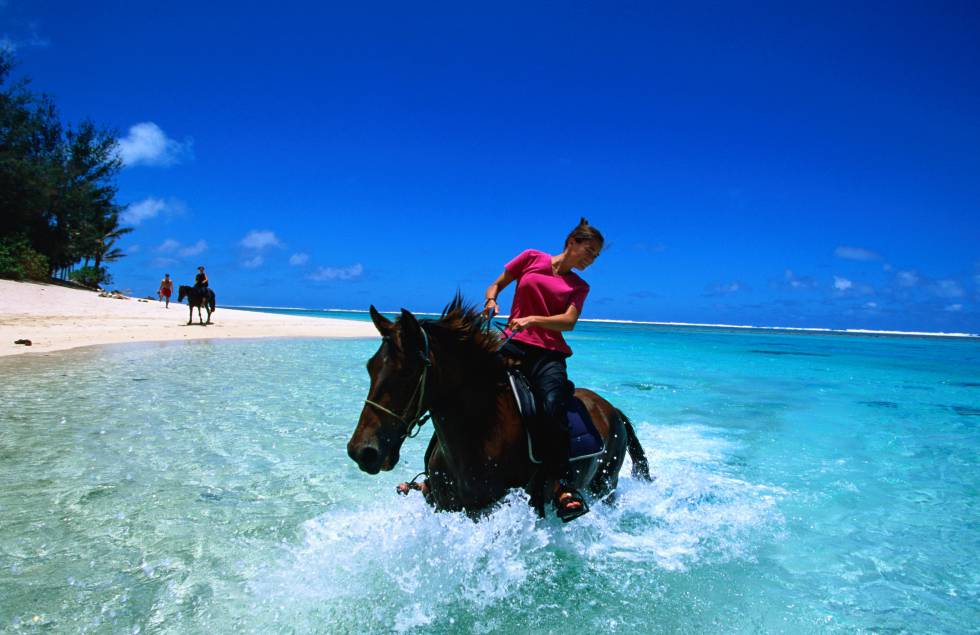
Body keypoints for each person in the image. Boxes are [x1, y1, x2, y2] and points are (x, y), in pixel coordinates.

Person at [482, 217, 603, 522]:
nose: (591, 259)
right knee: (466, 387)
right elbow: (496, 284)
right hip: (511, 343)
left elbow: (568, 322)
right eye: (589, 251)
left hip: (548, 354)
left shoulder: (579, 286)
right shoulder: (530, 258)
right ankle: (439, 466)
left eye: (595, 256)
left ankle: (561, 483)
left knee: (552, 405)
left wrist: (533, 319)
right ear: (572, 242)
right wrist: (492, 300)